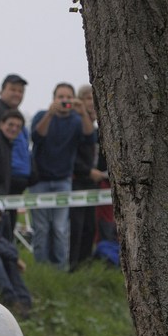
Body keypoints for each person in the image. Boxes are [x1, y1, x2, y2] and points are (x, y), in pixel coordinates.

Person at [30, 83, 95, 269]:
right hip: (39, 180)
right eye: (60, 97)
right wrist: (50, 114)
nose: (64, 100)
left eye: (68, 97)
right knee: (41, 228)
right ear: (53, 98)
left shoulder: (76, 120)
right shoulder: (41, 116)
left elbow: (90, 138)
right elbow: (36, 137)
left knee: (60, 228)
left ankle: (60, 268)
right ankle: (41, 268)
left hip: (63, 180)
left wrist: (83, 113)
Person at [69, 84, 109, 270]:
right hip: (77, 181)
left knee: (90, 226)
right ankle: (73, 264)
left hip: (95, 183)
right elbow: (69, 156)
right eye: (87, 98)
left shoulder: (98, 128)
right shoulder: (74, 124)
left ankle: (85, 264)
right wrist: (87, 171)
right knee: (76, 226)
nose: (91, 103)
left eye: (94, 98)